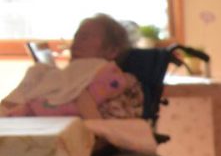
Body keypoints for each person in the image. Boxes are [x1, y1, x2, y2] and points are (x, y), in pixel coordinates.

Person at [2, 14, 143, 123]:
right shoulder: (45, 73)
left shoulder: (112, 77)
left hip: (56, 128)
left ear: (112, 51)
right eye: (76, 36)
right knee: (37, 71)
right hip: (23, 116)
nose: (76, 42)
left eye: (85, 37)